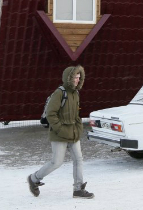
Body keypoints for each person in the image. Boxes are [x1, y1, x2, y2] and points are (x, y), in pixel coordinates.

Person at [27, 65, 94, 199]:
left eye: (79, 77)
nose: (77, 80)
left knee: (79, 160)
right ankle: (34, 178)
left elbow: (76, 114)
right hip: (59, 134)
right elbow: (51, 114)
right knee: (56, 162)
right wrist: (61, 129)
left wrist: (79, 127)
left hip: (73, 133)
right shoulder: (59, 93)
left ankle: (78, 189)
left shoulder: (76, 93)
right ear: (69, 78)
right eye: (75, 77)